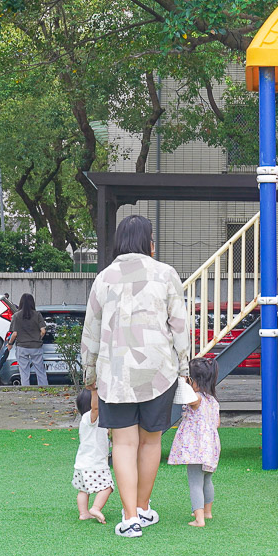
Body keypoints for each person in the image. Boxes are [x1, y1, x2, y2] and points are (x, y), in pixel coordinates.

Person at [81, 214, 189, 538]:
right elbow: (180, 326)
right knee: (151, 441)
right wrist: (184, 367)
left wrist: (90, 373)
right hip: (158, 371)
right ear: (149, 241)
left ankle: (129, 519)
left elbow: (91, 330)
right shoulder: (166, 274)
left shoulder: (104, 278)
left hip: (114, 374)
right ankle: (143, 507)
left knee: (124, 444)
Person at [168, 357, 221, 527]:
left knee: (195, 482)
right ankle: (207, 511)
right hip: (210, 446)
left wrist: (182, 381)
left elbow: (188, 399)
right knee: (207, 480)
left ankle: (199, 519)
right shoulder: (212, 401)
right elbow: (217, 423)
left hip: (196, 447)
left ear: (193, 381)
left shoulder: (196, 399)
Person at [73, 388, 114, 523]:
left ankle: (83, 513)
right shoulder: (91, 418)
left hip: (81, 464)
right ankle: (96, 508)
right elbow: (95, 408)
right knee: (107, 487)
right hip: (95, 463)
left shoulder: (85, 421)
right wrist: (96, 390)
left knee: (83, 490)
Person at [7, 293, 47, 386]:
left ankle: (26, 390)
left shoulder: (16, 316)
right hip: (36, 346)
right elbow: (43, 331)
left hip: (22, 347)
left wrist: (10, 344)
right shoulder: (37, 315)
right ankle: (45, 389)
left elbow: (15, 333)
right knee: (40, 371)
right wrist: (38, 338)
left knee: (24, 372)